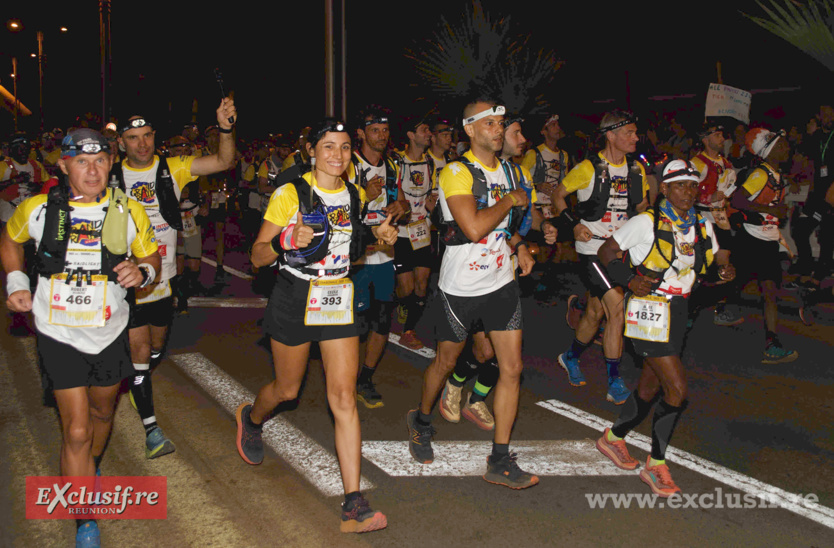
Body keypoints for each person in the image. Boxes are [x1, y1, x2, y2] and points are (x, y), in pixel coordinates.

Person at [1, 129, 160, 547]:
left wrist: (143, 271)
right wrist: (16, 281)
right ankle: (84, 518)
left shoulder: (128, 210)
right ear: (64, 165)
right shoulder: (39, 209)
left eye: (101, 161)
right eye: (82, 162)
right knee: (75, 430)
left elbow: (151, 256)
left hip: (109, 330)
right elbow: (11, 238)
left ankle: (88, 466)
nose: (92, 171)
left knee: (103, 412)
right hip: (58, 331)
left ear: (111, 164)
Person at [235, 118, 395, 533]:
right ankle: (252, 419)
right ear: (312, 151)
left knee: (343, 396)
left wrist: (379, 236)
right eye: (328, 146)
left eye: (344, 147)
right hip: (295, 294)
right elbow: (257, 255)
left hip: (336, 296)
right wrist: (285, 241)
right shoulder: (291, 193)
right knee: (287, 390)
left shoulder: (354, 193)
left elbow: (351, 247)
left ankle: (353, 503)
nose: (337, 155)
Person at [407, 99, 538, 489]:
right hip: (460, 289)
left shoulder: (511, 172)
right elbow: (475, 227)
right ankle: (421, 420)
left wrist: (520, 246)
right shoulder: (455, 172)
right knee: (445, 363)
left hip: (500, 283)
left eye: (501, 123)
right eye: (489, 123)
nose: (498, 130)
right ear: (469, 129)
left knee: (511, 368)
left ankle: (499, 459)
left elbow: (502, 230)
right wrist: (509, 200)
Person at [595, 159, 734, 497]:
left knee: (648, 389)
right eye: (680, 185)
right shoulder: (646, 222)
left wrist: (725, 267)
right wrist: (630, 279)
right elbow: (606, 251)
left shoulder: (700, 223)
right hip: (649, 310)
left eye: (692, 185)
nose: (688, 191)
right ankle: (656, 464)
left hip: (681, 310)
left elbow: (718, 255)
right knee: (677, 391)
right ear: (666, 189)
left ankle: (612, 438)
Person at [114, 98, 237, 458]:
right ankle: (151, 428)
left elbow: (224, 161)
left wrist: (225, 128)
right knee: (139, 353)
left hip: (163, 278)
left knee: (155, 348)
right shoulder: (109, 174)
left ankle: (139, 378)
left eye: (147, 136)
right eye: (133, 138)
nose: (142, 144)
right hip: (128, 280)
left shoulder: (173, 168)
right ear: (121, 143)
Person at [552, 109, 649, 404]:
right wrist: (573, 224)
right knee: (616, 308)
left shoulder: (636, 169)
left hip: (620, 252)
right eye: (629, 133)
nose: (635, 138)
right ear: (611, 135)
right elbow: (558, 195)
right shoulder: (588, 168)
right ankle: (614, 381)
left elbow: (642, 207)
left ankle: (570, 357)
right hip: (592, 251)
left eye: (635, 132)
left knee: (595, 313)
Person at [343, 106, 408, 409]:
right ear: (360, 133)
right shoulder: (348, 165)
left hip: (384, 254)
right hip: (356, 255)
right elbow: (335, 208)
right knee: (354, 324)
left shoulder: (392, 166)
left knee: (382, 320)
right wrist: (362, 195)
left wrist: (401, 208)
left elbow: (403, 203)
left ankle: (365, 379)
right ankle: (344, 378)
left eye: (385, 130)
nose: (381, 136)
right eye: (374, 130)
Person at [730, 128, 798, 363]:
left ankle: (772, 343)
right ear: (770, 151)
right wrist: (773, 210)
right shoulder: (761, 174)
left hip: (767, 241)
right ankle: (694, 309)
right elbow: (737, 199)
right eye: (781, 144)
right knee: (728, 284)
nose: (787, 147)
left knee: (770, 292)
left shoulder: (776, 175)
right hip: (750, 240)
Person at [690, 120, 743, 326]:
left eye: (722, 135)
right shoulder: (697, 164)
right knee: (701, 266)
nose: (722, 139)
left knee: (725, 264)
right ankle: (690, 307)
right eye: (717, 135)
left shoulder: (726, 163)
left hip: (721, 220)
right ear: (705, 139)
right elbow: (684, 193)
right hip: (702, 220)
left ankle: (720, 308)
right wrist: (707, 198)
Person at [394, 116, 437, 349]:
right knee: (407, 289)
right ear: (411, 135)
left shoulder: (430, 162)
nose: (429, 134)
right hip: (400, 233)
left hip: (422, 231)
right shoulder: (397, 162)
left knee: (421, 285)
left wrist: (432, 206)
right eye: (424, 130)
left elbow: (432, 192)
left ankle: (409, 330)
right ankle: (402, 301)